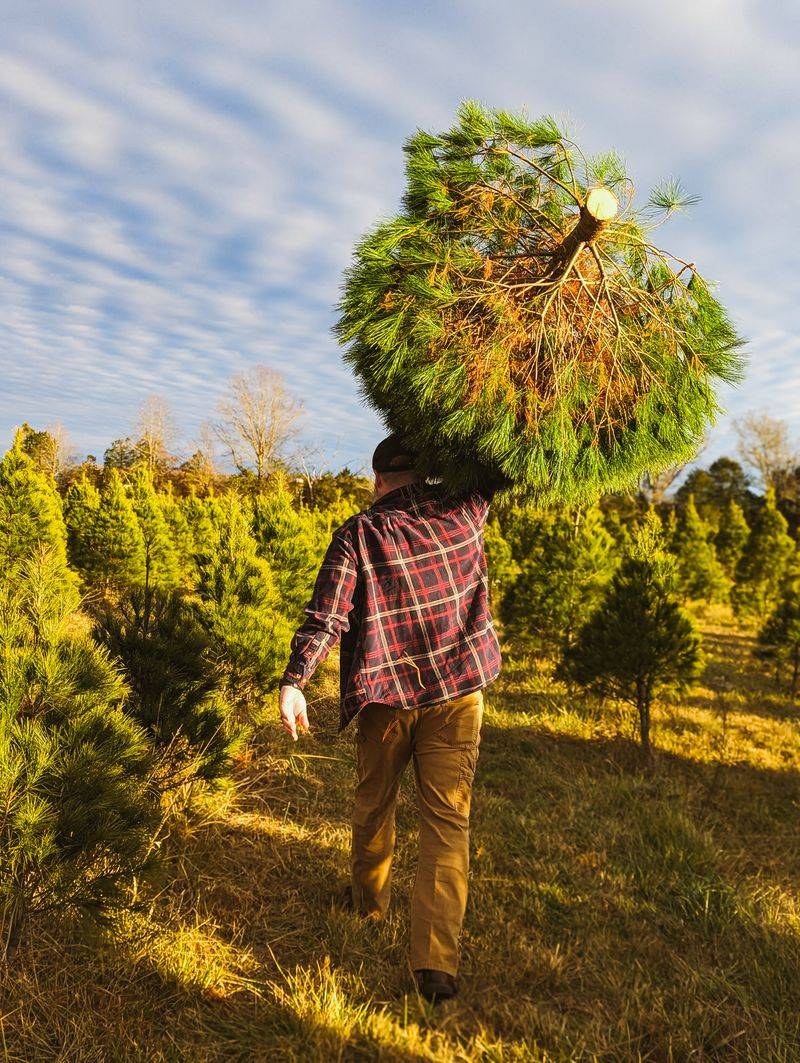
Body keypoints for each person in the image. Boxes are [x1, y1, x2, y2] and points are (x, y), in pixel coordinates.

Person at [278, 434, 501, 1004]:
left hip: (386, 698)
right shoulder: (468, 510)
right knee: (448, 825)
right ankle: (436, 968)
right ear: (428, 472)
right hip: (457, 694)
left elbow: (326, 617)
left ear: (378, 480)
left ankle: (367, 904)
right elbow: (504, 456)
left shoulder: (360, 533)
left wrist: (295, 681)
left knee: (374, 803)